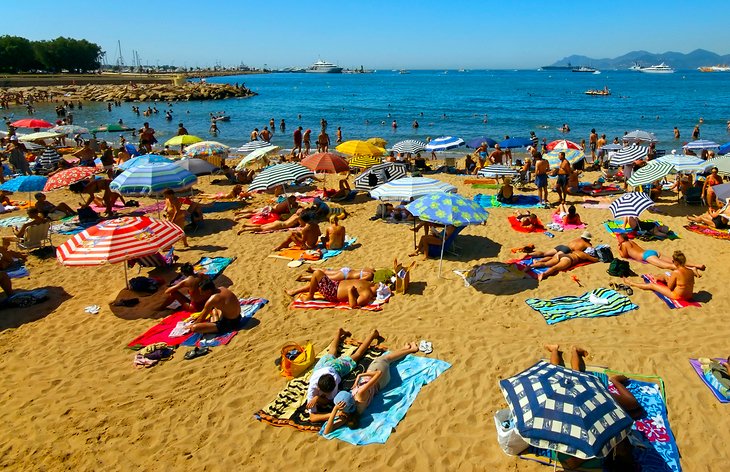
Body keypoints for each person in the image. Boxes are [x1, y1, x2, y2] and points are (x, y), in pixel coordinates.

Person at [543, 344, 642, 470]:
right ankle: (566, 350)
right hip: (585, 400)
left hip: (580, 400)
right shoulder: (610, 441)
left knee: (561, 373)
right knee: (568, 373)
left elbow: (572, 462)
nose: (630, 446)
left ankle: (558, 350)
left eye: (627, 449)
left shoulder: (597, 448)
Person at [323, 342, 420, 433]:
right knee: (383, 359)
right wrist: (359, 376)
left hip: (378, 385)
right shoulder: (360, 394)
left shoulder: (349, 415)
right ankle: (411, 350)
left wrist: (335, 410)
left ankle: (404, 348)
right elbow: (378, 373)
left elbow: (326, 431)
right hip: (380, 379)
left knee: (386, 360)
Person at [305, 328, 384, 422]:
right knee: (332, 352)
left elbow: (329, 401)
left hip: (334, 367)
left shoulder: (333, 380)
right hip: (322, 367)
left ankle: (372, 335)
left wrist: (318, 399)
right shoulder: (312, 390)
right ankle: (338, 333)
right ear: (318, 386)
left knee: (357, 355)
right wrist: (318, 399)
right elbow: (312, 418)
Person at [616, 233, 705, 276]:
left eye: (618, 238)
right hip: (651, 252)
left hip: (647, 256)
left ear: (622, 239)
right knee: (673, 261)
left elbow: (624, 255)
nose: (618, 240)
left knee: (668, 265)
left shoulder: (624, 244)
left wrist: (618, 248)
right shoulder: (631, 241)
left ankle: (691, 269)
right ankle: (696, 265)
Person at [624, 250, 697, 301]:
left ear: (676, 262)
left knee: (652, 285)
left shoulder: (676, 272)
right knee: (666, 276)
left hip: (679, 296)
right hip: (689, 296)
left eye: (673, 261)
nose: (672, 262)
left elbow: (670, 287)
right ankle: (658, 277)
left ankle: (631, 283)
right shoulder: (691, 271)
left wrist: (666, 278)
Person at [286, 271, 377, 308]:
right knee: (317, 282)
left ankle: (310, 296)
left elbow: (353, 305)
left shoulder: (367, 294)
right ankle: (294, 291)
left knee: (317, 274)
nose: (380, 285)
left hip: (333, 292)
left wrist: (350, 292)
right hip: (335, 285)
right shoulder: (369, 283)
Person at [532, 250, 599, 281]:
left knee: (545, 264)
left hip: (562, 255)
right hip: (568, 260)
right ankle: (544, 274)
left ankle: (531, 265)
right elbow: (594, 260)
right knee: (555, 268)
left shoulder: (577, 251)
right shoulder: (584, 255)